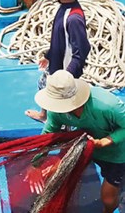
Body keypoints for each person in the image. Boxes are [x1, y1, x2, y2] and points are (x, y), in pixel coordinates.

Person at [25, 70, 125, 213]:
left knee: (108, 198)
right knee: (54, 172)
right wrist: (35, 164)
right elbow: (48, 134)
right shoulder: (56, 110)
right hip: (86, 145)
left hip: (117, 153)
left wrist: (105, 141)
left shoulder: (107, 105)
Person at [25, 0, 90, 123]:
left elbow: (82, 50)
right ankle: (44, 115)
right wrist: (48, 55)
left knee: (62, 100)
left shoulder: (74, 18)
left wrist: (67, 76)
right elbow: (60, 40)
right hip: (56, 63)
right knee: (43, 85)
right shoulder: (64, 8)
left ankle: (62, 124)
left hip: (66, 69)